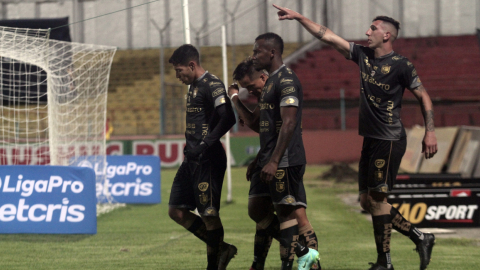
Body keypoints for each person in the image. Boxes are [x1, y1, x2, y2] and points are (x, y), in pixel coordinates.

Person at [273, 4, 438, 270]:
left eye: (372, 28)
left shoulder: (401, 65)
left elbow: (424, 95)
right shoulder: (362, 55)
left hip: (389, 139)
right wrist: (300, 17)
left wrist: (430, 131)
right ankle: (421, 237)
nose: (366, 31)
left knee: (378, 200)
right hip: (371, 140)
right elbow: (327, 36)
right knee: (366, 201)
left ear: (386, 35)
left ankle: (385, 262)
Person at [231, 32, 319, 270]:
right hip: (269, 159)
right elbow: (263, 126)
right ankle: (304, 256)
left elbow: (288, 124)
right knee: (257, 208)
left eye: (257, 51)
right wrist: (260, 159)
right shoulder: (270, 84)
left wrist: (274, 161)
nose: (253, 55)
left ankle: (299, 263)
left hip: (285, 160)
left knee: (289, 216)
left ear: (271, 53)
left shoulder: (287, 80)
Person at [167, 44, 237, 270]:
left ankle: (214, 265)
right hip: (192, 158)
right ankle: (222, 248)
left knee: (209, 214)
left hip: (208, 158)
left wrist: (206, 143)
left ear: (191, 65)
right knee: (176, 211)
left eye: (179, 71)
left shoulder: (212, 84)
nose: (178, 76)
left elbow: (228, 118)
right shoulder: (194, 86)